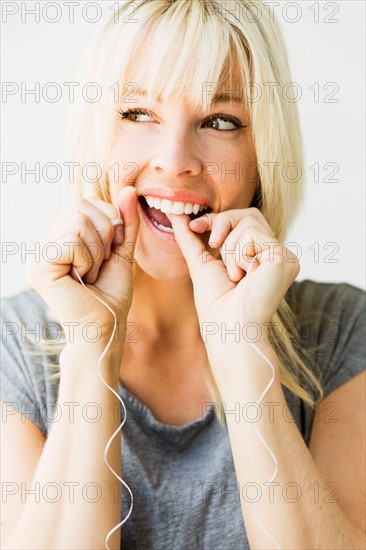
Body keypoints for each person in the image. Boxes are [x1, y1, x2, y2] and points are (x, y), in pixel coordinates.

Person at [1, 1, 365, 549]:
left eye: (221, 121)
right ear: (97, 137)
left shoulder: (341, 330)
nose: (175, 161)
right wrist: (91, 343)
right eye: (137, 113)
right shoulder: (13, 344)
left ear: (265, 152)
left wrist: (240, 343)